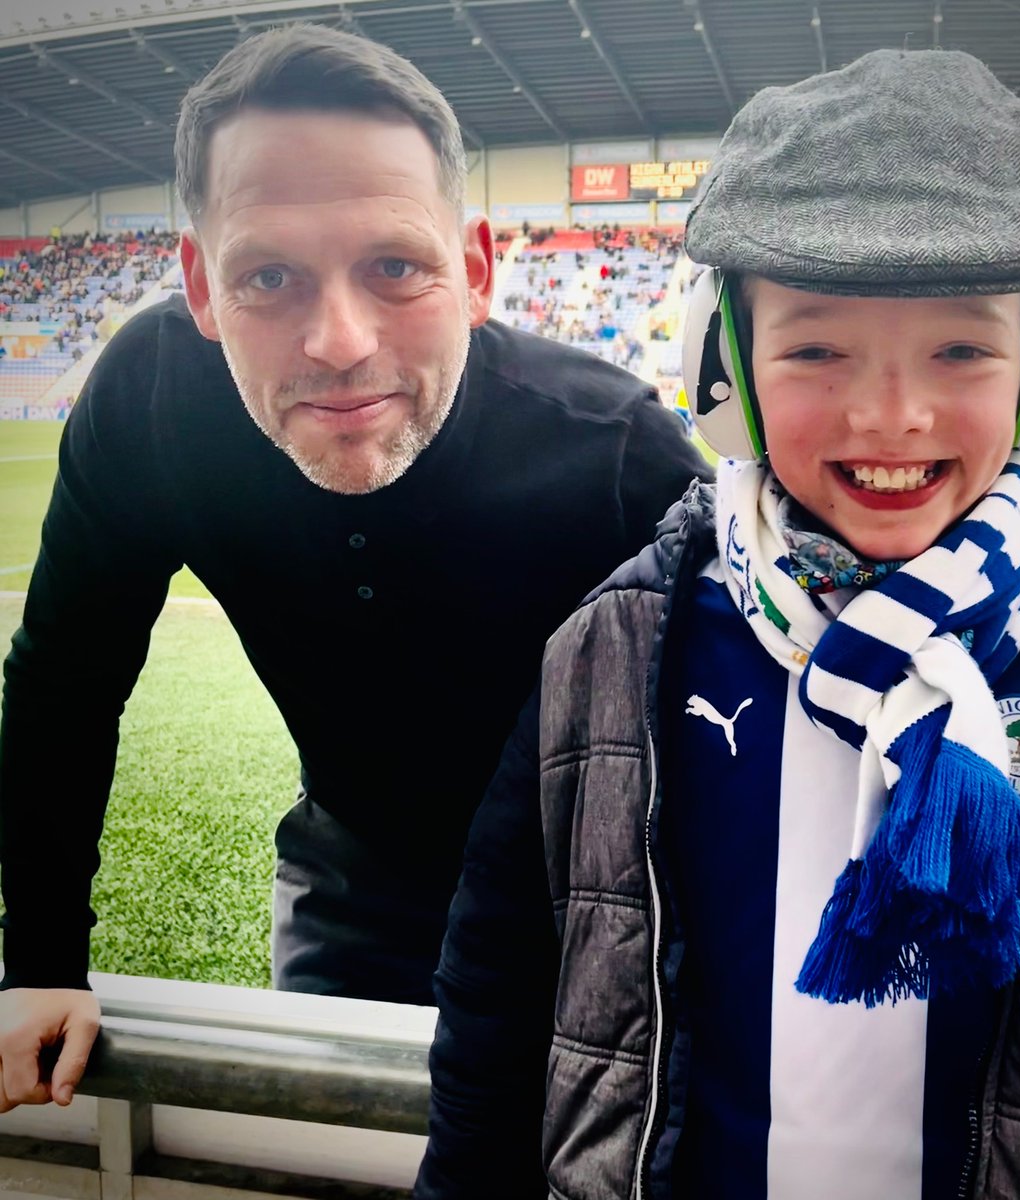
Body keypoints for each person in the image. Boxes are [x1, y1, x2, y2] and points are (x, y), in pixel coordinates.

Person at [415, 49, 1020, 1200]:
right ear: (724, 358)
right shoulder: (615, 648)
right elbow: (498, 996)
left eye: (963, 347)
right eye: (817, 349)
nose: (894, 414)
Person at [0, 23, 711, 1113]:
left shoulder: (615, 452)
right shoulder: (150, 406)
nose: (337, 340)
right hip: (354, 870)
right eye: (269, 276)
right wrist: (41, 961)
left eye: (395, 267)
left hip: (598, 887)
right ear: (198, 284)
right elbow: (63, 685)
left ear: (474, 270)